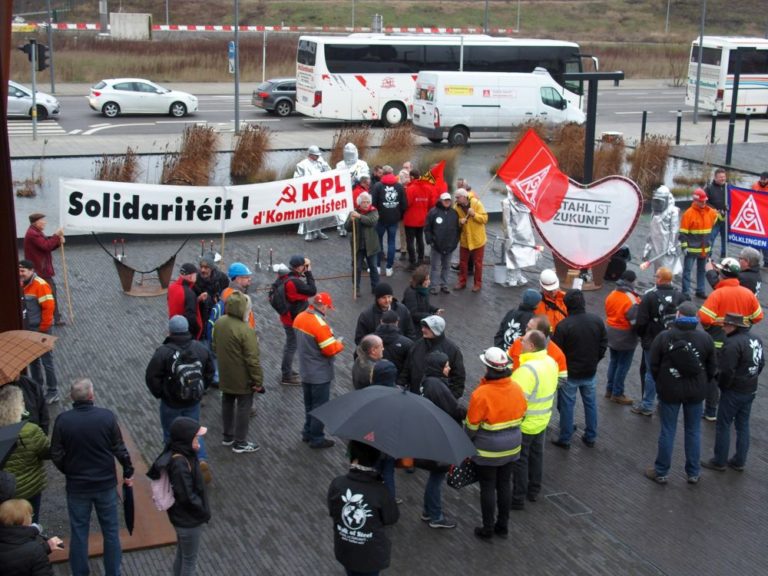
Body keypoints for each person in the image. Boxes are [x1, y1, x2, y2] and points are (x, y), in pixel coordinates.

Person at [50, 378, 134, 576]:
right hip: (105, 485)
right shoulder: (106, 417)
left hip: (77, 487)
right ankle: (113, 572)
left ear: (72, 397)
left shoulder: (63, 421)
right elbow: (119, 448)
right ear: (91, 396)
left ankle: (80, 572)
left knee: (79, 532)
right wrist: (127, 469)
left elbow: (56, 453)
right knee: (111, 532)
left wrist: (68, 470)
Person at [644, 302, 716, 485]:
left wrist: (662, 380)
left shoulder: (665, 336)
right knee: (693, 431)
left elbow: (653, 365)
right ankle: (693, 472)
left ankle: (661, 471)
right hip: (696, 391)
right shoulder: (705, 338)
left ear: (678, 315)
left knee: (668, 430)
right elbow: (712, 367)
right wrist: (702, 383)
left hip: (670, 390)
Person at [465, 347, 527, 540]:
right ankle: (503, 525)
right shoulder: (517, 389)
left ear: (487, 367)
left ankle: (488, 528)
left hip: (487, 451)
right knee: (504, 485)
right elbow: (523, 415)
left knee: (488, 487)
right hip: (513, 447)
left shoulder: (481, 394)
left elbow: (471, 427)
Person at [145, 315, 215, 482]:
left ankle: (175, 466)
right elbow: (210, 372)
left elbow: (151, 377)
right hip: (193, 401)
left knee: (171, 434)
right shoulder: (199, 348)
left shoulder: (163, 352)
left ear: (170, 331)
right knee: (194, 430)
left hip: (171, 403)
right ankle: (201, 459)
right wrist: (200, 390)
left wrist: (162, 393)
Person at [698, 257, 763, 420]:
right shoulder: (748, 294)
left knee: (713, 375)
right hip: (740, 342)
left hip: (717, 341)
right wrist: (742, 322)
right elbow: (758, 317)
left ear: (722, 275)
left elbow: (705, 318)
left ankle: (711, 410)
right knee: (734, 373)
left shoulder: (718, 294)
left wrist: (716, 323)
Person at [701, 313, 764, 473]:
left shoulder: (731, 344)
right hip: (750, 388)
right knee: (743, 425)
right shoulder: (756, 339)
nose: (723, 327)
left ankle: (719, 460)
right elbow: (761, 363)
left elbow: (726, 370)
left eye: (726, 325)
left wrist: (723, 385)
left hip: (734, 390)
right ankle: (739, 460)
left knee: (723, 425)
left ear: (734, 326)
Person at [147, 417, 210, 576]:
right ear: (186, 439)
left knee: (183, 554)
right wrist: (202, 511)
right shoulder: (180, 464)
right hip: (188, 520)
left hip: (182, 519)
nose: (199, 441)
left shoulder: (182, 454)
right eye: (196, 437)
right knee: (189, 561)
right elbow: (187, 497)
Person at [327, 440, 399, 576]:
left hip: (345, 550)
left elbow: (333, 511)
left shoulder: (337, 484)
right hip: (370, 556)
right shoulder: (381, 491)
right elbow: (392, 518)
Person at [551, 289, 607, 448]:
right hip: (590, 371)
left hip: (570, 373)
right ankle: (591, 436)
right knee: (590, 404)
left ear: (567, 305)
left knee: (567, 405)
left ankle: (565, 438)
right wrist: (595, 360)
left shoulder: (563, 326)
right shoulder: (596, 321)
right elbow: (603, 344)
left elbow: (556, 352)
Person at [510, 330, 559, 509]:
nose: (520, 342)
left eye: (523, 341)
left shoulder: (526, 371)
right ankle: (534, 490)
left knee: (521, 461)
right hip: (543, 420)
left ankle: (517, 498)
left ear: (531, 346)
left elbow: (516, 401)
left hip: (525, 424)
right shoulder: (551, 362)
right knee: (537, 456)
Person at [631, 267, 688, 417]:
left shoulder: (650, 296)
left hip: (653, 341)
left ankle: (647, 404)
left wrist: (642, 336)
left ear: (660, 279)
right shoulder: (680, 296)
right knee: (667, 372)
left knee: (651, 373)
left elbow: (641, 321)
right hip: (674, 341)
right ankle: (663, 404)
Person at [212, 291, 264, 454]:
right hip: (242, 377)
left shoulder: (219, 322)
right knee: (244, 407)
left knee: (227, 402)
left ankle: (227, 436)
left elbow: (214, 346)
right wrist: (258, 381)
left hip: (225, 373)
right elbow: (252, 359)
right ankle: (240, 442)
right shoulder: (246, 330)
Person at [418, 351, 465, 529]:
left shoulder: (427, 381)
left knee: (434, 477)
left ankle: (427, 510)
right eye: (446, 365)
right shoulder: (437, 386)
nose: (449, 368)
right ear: (438, 367)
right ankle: (436, 516)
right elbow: (453, 409)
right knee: (436, 478)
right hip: (439, 437)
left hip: (430, 434)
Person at [294, 293, 345, 449]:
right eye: (328, 308)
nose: (327, 310)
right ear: (323, 306)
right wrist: (339, 344)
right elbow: (329, 350)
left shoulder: (300, 317)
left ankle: (307, 432)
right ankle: (317, 438)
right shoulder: (320, 325)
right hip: (320, 373)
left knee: (309, 405)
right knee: (320, 408)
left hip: (305, 370)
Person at [0, 386, 50, 524]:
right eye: (22, 401)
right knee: (32, 521)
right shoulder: (30, 430)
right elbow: (46, 451)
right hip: (31, 488)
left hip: (6, 491)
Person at [18, 260, 60, 404]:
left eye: (23, 271)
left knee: (47, 362)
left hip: (41, 330)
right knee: (33, 362)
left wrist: (43, 330)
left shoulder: (40, 285)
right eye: (19, 270)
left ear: (31, 270)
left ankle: (53, 391)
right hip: (29, 330)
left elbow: (49, 309)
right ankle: (37, 389)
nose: (20, 274)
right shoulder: (21, 284)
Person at [399, 316, 466, 399]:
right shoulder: (418, 344)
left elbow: (458, 381)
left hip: (436, 403)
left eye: (427, 327)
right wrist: (400, 385)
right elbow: (407, 368)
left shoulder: (452, 350)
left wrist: (447, 400)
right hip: (414, 397)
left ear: (436, 330)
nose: (423, 329)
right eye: (423, 326)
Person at [276, 255, 317, 386]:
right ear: (299, 267)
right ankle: (286, 376)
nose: (305, 268)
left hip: (287, 316)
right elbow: (312, 290)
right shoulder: (295, 281)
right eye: (303, 266)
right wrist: (309, 272)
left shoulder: (285, 276)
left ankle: (287, 370)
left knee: (289, 345)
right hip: (292, 319)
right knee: (291, 346)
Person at [603, 270, 640, 405]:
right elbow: (635, 321)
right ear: (631, 281)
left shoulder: (612, 294)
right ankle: (617, 393)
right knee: (623, 365)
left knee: (614, 362)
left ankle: (609, 389)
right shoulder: (632, 299)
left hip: (611, 332)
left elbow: (607, 310)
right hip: (625, 336)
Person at [0, 498, 62, 576]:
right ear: (24, 521)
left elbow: (14, 555)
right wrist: (40, 550)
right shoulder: (34, 550)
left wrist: (46, 547)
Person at [23, 212, 65, 326]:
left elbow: (46, 246)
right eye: (43, 220)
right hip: (41, 271)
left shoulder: (35, 232)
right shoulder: (33, 234)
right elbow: (46, 246)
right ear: (36, 222)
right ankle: (55, 318)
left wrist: (58, 243)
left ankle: (54, 317)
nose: (45, 222)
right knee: (50, 293)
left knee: (47, 293)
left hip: (40, 269)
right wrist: (56, 235)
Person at [679, 187, 719, 299]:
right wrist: (684, 246)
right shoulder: (688, 214)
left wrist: (722, 214)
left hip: (704, 248)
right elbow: (683, 233)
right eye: (701, 201)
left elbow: (716, 219)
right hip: (691, 249)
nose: (704, 203)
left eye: (705, 201)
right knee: (687, 271)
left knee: (701, 271)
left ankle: (700, 290)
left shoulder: (710, 212)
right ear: (695, 200)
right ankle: (685, 292)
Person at [507, 315, 568, 386]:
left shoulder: (558, 354)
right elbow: (507, 362)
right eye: (527, 327)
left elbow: (562, 379)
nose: (526, 331)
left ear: (540, 333)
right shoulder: (519, 342)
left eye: (530, 329)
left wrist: (541, 386)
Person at [371, 165, 407, 277]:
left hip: (381, 219)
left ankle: (376, 267)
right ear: (392, 173)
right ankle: (389, 268)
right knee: (391, 242)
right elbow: (404, 204)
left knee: (378, 242)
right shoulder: (399, 186)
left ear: (383, 173)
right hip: (394, 219)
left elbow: (373, 203)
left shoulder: (377, 186)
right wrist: (399, 214)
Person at [345, 192, 381, 297]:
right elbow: (346, 228)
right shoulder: (353, 213)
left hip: (371, 246)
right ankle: (356, 288)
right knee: (357, 268)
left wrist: (359, 216)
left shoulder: (373, 211)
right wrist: (350, 221)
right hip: (358, 246)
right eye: (363, 202)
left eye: (367, 202)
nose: (366, 204)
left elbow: (371, 221)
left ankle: (375, 287)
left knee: (373, 267)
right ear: (359, 203)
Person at [501, 188, 539, 287]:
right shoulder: (507, 203)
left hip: (525, 233)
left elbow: (528, 216)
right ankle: (511, 278)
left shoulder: (525, 202)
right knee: (512, 254)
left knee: (521, 255)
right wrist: (508, 236)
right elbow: (506, 222)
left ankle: (517, 276)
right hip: (514, 233)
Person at [424, 192, 460, 295]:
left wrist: (455, 243)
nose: (447, 202)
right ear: (440, 200)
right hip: (436, 245)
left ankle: (444, 285)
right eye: (445, 200)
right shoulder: (433, 212)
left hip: (449, 246)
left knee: (446, 266)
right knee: (435, 266)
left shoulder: (454, 213)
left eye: (449, 200)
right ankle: (434, 286)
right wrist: (430, 241)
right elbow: (427, 228)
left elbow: (457, 230)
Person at [641, 185, 682, 276]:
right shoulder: (654, 212)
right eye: (656, 201)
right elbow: (651, 231)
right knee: (658, 267)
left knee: (667, 269)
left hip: (667, 246)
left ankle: (667, 286)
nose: (657, 203)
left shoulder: (673, 212)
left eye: (659, 201)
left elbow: (674, 231)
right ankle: (658, 285)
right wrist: (647, 249)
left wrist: (672, 246)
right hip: (657, 245)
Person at [454, 188, 488, 292]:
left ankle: (477, 284)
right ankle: (462, 282)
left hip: (478, 239)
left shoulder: (476, 203)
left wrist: (474, 215)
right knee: (463, 262)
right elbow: (453, 221)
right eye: (455, 197)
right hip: (465, 239)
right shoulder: (456, 207)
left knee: (478, 263)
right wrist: (460, 221)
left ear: (464, 197)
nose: (456, 199)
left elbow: (485, 219)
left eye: (458, 197)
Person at [295, 145, 332, 241]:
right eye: (316, 155)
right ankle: (309, 232)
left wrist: (324, 165)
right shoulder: (302, 165)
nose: (318, 157)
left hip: (320, 192)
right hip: (308, 192)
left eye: (318, 155)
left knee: (320, 212)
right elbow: (296, 179)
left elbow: (330, 173)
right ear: (311, 155)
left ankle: (319, 231)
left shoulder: (321, 162)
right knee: (309, 213)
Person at [336, 143, 370, 237]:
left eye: (351, 154)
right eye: (347, 154)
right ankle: (343, 227)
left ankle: (357, 227)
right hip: (343, 191)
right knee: (341, 210)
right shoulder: (340, 164)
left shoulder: (362, 164)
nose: (349, 156)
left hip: (357, 191)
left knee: (357, 209)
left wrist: (358, 177)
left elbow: (366, 176)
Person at [402, 169, 433, 271]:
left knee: (410, 241)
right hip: (422, 219)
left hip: (411, 219)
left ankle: (412, 262)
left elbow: (407, 204)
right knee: (420, 239)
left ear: (411, 177)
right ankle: (420, 259)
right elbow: (431, 204)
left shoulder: (410, 188)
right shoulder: (428, 187)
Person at [168, 263, 205, 340]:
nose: (196, 277)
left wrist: (197, 300)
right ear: (190, 276)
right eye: (195, 275)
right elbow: (191, 318)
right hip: (186, 333)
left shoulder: (172, 287)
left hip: (174, 327)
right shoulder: (189, 293)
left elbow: (179, 303)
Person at [374, 310, 414, 375]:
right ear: (397, 323)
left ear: (381, 321)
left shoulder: (369, 339)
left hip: (373, 379)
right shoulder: (407, 343)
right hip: (395, 380)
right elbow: (410, 365)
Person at [705, 167, 728, 260]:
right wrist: (715, 209)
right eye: (720, 177)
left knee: (725, 239)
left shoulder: (728, 188)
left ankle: (724, 256)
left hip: (726, 218)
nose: (722, 179)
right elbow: (705, 202)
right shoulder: (709, 188)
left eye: (724, 177)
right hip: (714, 218)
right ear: (715, 178)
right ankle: (708, 256)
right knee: (711, 238)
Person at [750, 172, 768, 267]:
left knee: (765, 241)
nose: (762, 181)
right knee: (755, 240)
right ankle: (755, 261)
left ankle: (766, 261)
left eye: (764, 179)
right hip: (756, 217)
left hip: (766, 219)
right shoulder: (754, 186)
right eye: (761, 178)